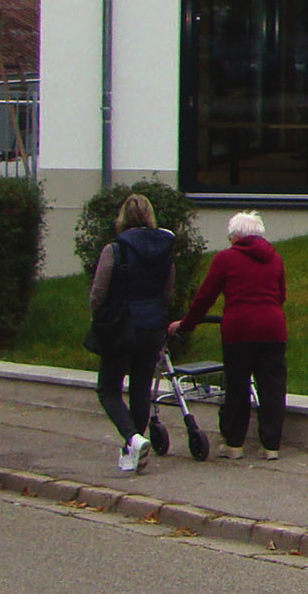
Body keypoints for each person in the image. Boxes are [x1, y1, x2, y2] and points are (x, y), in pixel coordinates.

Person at [171, 210, 287, 460]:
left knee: (237, 386)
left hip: (239, 330)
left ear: (235, 236)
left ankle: (234, 444)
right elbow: (281, 296)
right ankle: (271, 446)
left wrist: (186, 324)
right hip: (273, 328)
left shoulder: (226, 259)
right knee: (272, 388)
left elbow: (204, 298)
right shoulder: (275, 259)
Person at [89, 193, 175, 474]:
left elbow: (98, 292)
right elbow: (168, 291)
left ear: (122, 218)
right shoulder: (165, 248)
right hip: (152, 326)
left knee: (108, 388)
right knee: (141, 388)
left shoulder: (115, 250)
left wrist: (100, 318)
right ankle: (135, 447)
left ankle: (132, 438)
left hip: (122, 326)